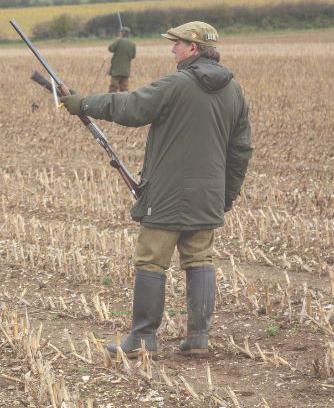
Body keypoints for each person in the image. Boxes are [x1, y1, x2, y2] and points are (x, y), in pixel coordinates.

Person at [61, 21, 253, 358]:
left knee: (151, 261)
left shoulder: (177, 83)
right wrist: (227, 195)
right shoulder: (234, 90)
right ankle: (198, 339)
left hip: (166, 194)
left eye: (177, 44)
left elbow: (132, 107)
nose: (172, 49)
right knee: (200, 260)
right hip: (209, 195)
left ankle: (141, 340)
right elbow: (241, 150)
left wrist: (84, 104)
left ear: (193, 48)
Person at [107, 27, 136, 92]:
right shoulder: (132, 44)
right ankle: (126, 101)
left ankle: (111, 101)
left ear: (122, 33)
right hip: (126, 70)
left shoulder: (119, 41)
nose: (119, 33)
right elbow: (133, 56)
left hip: (116, 70)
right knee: (124, 89)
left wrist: (117, 40)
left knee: (113, 88)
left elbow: (110, 49)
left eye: (120, 32)